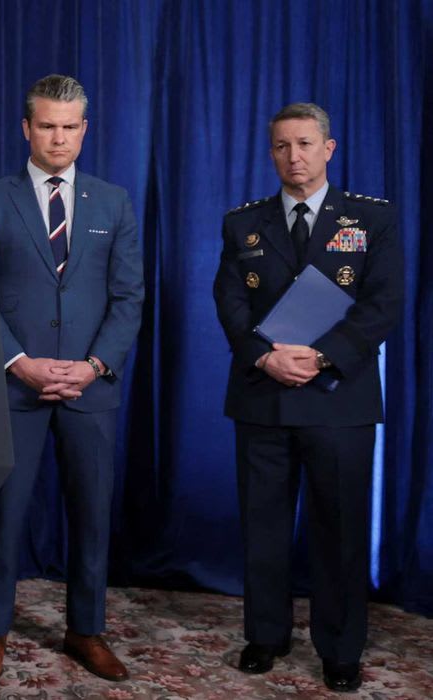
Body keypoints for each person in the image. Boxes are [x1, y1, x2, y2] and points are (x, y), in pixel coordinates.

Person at [0, 74, 143, 684]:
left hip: (91, 389)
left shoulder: (113, 202)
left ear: (84, 131)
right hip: (15, 387)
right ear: (26, 128)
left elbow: (128, 297)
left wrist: (91, 368)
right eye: (47, 126)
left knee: (92, 516)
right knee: (5, 518)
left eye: (69, 127)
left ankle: (85, 630)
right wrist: (22, 363)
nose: (58, 138)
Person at [212, 102, 402, 693]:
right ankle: (266, 635)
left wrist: (319, 357)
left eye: (304, 144)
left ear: (329, 148)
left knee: (339, 528)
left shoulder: (372, 219)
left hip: (337, 396)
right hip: (263, 394)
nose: (293, 156)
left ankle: (341, 647)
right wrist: (265, 356)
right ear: (270, 152)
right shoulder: (242, 223)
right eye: (281, 146)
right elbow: (230, 304)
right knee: (263, 525)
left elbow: (384, 304)